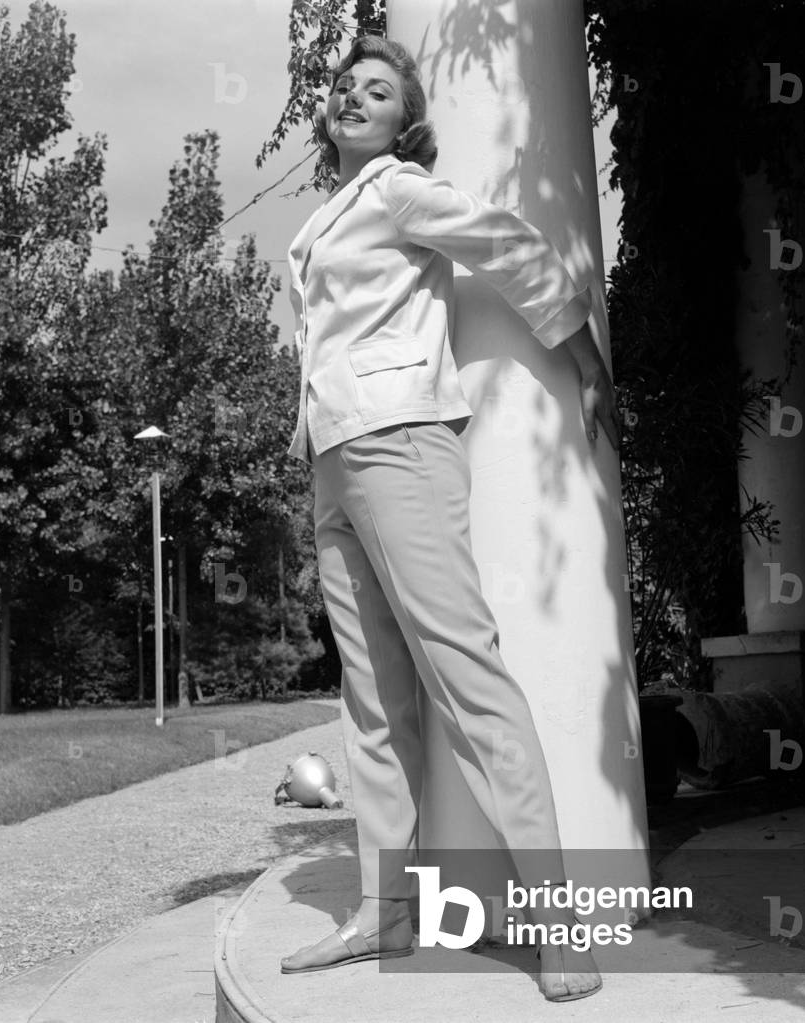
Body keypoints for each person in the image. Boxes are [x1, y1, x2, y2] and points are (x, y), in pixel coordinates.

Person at [279, 35, 619, 1003]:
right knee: (375, 707)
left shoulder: (396, 192)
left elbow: (506, 241)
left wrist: (582, 355)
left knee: (468, 675)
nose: (355, 96)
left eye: (377, 91)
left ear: (403, 124)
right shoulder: (327, 216)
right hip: (335, 462)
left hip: (401, 445)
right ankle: (386, 913)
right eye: (346, 85)